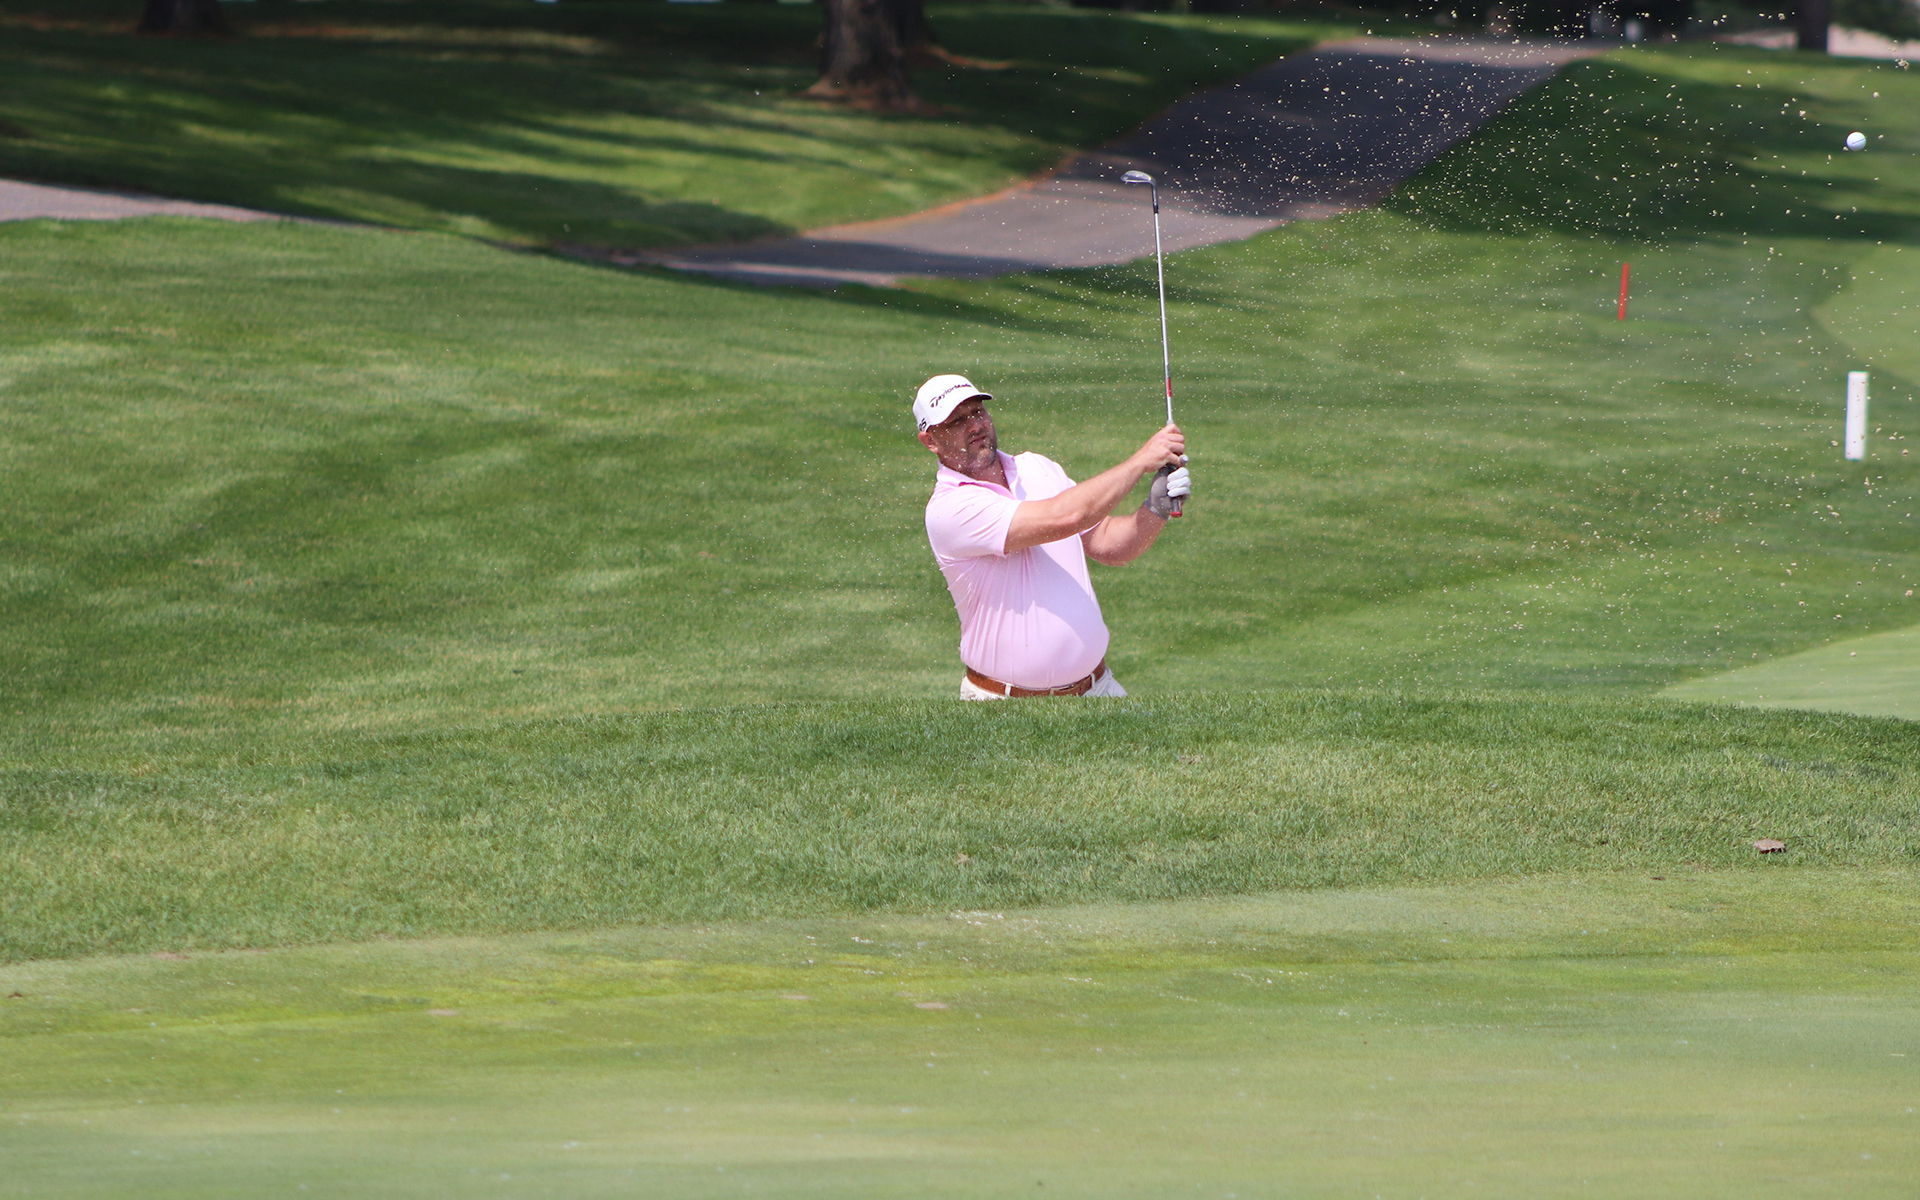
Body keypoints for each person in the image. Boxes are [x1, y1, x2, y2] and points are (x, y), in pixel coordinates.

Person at [914, 373, 1191, 700]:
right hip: (1005, 704)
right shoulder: (949, 509)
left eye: (977, 412)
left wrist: (1155, 509)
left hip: (1098, 689)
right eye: (957, 421)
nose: (974, 425)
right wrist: (1140, 461)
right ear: (930, 441)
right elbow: (1065, 517)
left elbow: (1108, 544)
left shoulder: (1037, 468)